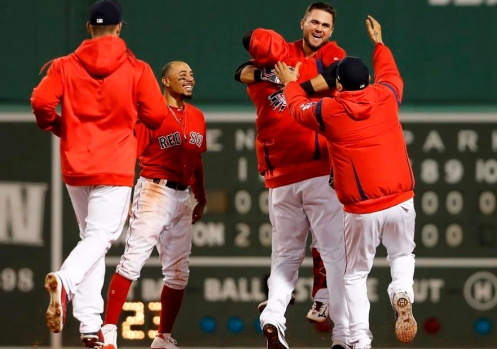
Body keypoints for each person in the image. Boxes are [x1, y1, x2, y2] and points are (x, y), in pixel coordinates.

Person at [274, 15, 418, 349]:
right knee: (402, 254)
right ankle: (402, 292)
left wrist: (291, 83)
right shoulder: (385, 97)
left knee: (354, 275)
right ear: (367, 82)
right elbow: (391, 74)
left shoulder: (331, 112)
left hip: (362, 208)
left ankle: (359, 340)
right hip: (401, 200)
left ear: (337, 86)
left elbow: (296, 109)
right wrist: (379, 44)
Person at [30, 0, 168, 347]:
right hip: (115, 164)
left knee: (90, 239)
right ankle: (66, 281)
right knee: (99, 239)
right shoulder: (137, 69)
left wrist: (60, 126)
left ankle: (90, 326)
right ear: (119, 28)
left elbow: (41, 103)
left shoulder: (64, 66)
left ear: (89, 28)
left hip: (76, 165)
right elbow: (156, 116)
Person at [233, 3, 350, 349]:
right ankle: (344, 335)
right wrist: (293, 83)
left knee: (284, 256)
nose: (318, 28)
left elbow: (242, 70)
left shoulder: (273, 65)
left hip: (280, 178)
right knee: (334, 253)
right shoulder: (287, 61)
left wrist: (286, 80)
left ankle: (272, 317)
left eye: (324, 24)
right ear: (301, 23)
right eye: (314, 21)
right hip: (315, 171)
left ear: (330, 31)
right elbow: (335, 78)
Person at [98, 61, 207, 349]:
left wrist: (201, 196)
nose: (189, 78)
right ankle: (107, 331)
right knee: (132, 261)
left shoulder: (197, 116)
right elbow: (129, 155)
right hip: (154, 191)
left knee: (179, 273)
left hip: (183, 197)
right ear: (165, 81)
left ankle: (163, 338)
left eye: (192, 74)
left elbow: (196, 161)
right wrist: (124, 197)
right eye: (182, 74)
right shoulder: (150, 115)